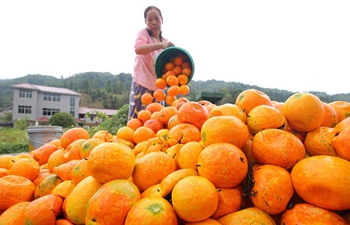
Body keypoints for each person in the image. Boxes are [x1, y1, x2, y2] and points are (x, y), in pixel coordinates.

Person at [128, 6, 174, 120]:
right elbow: (138, 49)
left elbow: (170, 67)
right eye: (150, 19)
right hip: (142, 84)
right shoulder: (144, 34)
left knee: (157, 120)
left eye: (157, 19)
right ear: (145, 22)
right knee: (137, 119)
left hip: (159, 88)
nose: (154, 22)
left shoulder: (166, 42)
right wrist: (161, 45)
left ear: (162, 20)